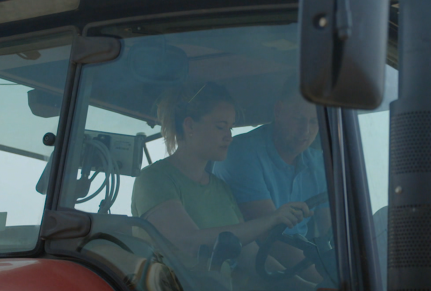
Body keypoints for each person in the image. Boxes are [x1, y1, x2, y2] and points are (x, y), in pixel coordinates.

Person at [131, 82, 311, 264]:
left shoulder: (221, 189)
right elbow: (190, 243)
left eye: (230, 128)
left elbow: (248, 255)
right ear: (190, 126)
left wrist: (306, 287)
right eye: (220, 127)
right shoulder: (154, 179)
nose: (229, 136)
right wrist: (273, 219)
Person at [212, 78, 330, 276]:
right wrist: (327, 284)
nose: (306, 131)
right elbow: (272, 240)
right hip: (253, 269)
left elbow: (332, 231)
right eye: (299, 119)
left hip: (300, 263)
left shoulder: (319, 163)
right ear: (278, 111)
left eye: (314, 121)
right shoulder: (241, 154)